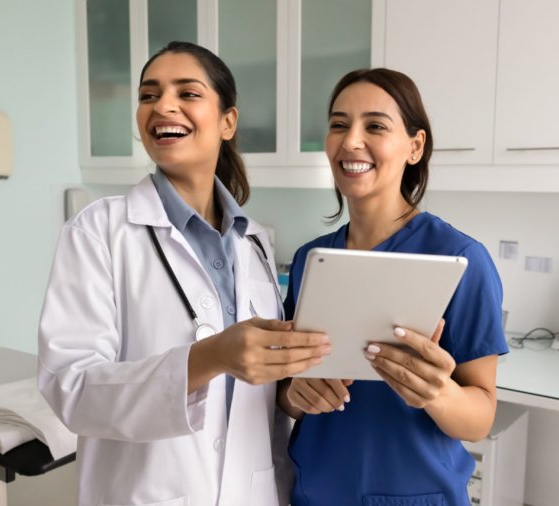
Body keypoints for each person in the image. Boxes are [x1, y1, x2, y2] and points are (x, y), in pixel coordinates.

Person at [38, 41, 331, 506]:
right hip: (144, 492)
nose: (163, 106)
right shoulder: (99, 230)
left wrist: (295, 394)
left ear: (227, 121)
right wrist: (208, 358)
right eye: (149, 95)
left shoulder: (253, 241)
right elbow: (70, 388)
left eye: (187, 93)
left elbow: (259, 400)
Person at [277, 68, 509, 505]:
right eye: (339, 124)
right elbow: (287, 392)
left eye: (376, 126)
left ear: (414, 146)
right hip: (315, 492)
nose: (350, 141)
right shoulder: (312, 259)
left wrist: (438, 392)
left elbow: (480, 417)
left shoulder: (461, 259)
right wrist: (296, 394)